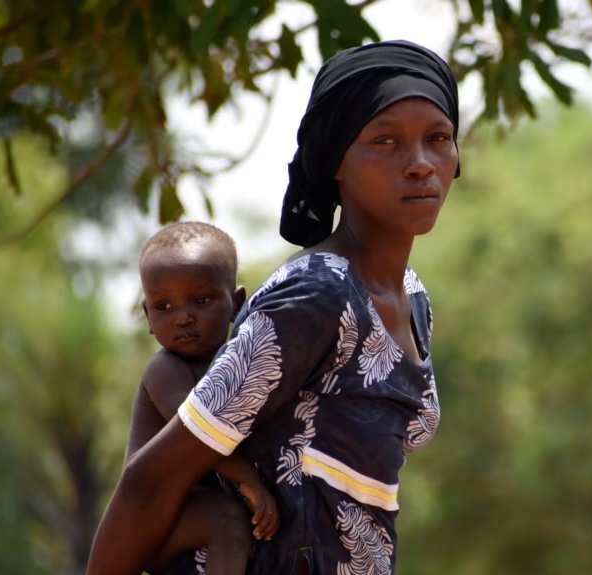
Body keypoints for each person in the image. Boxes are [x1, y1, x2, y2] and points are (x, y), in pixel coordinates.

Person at [88, 39, 460, 575]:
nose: (421, 164)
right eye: (385, 141)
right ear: (335, 163)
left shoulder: (413, 296)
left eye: (438, 139)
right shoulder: (318, 294)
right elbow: (152, 481)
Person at [127, 221, 279, 574]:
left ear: (237, 303)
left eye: (201, 300)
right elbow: (200, 435)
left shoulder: (238, 367)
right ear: (148, 317)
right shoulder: (165, 370)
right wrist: (249, 481)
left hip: (190, 512)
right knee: (227, 520)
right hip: (151, 513)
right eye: (163, 307)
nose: (183, 317)